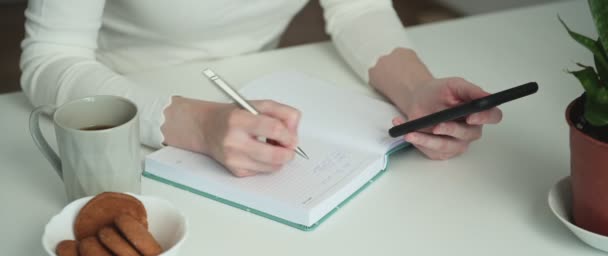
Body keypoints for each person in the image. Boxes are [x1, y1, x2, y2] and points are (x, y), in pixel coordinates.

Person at [20, 0, 502, 177]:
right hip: (118, 118)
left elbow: (357, 9)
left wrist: (418, 89)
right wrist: (195, 124)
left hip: (250, 98)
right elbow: (51, 55)